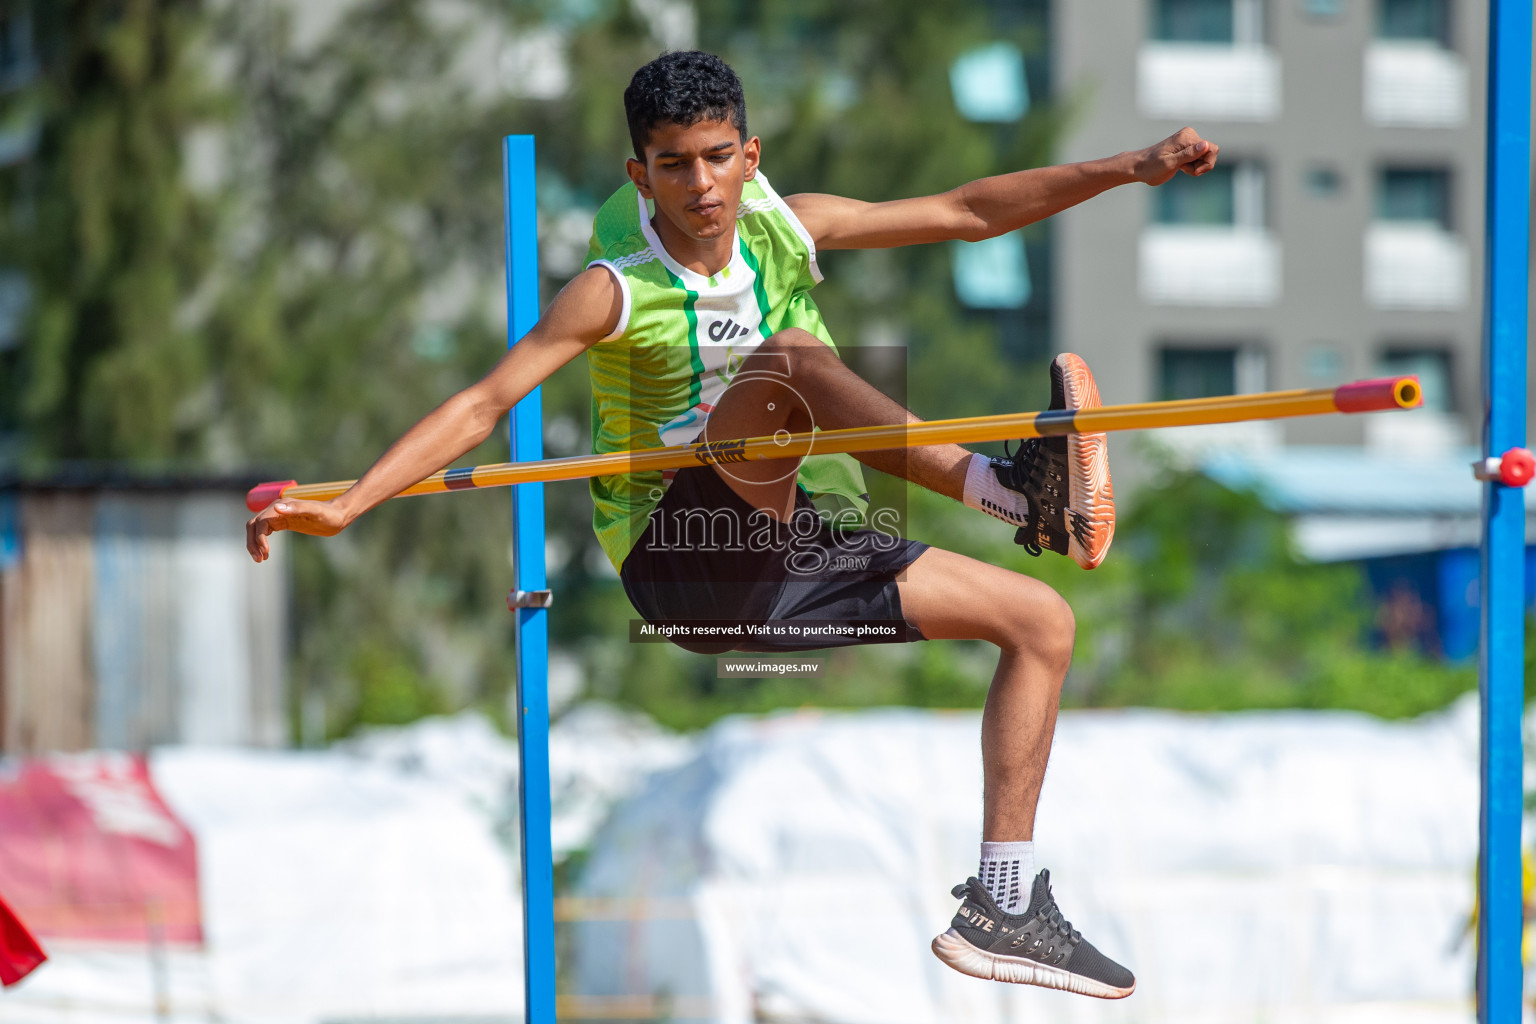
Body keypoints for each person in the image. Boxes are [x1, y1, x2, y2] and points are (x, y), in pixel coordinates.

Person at [244, 50, 1219, 998]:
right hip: (681, 561)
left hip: (785, 553)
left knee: (1042, 620)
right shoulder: (616, 288)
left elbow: (969, 211)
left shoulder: (792, 229)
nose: (700, 185)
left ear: (750, 157)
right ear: (642, 174)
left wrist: (1131, 167)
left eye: (717, 157)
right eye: (674, 164)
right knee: (792, 358)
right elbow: (483, 403)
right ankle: (1016, 494)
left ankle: (1002, 903)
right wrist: (354, 498)